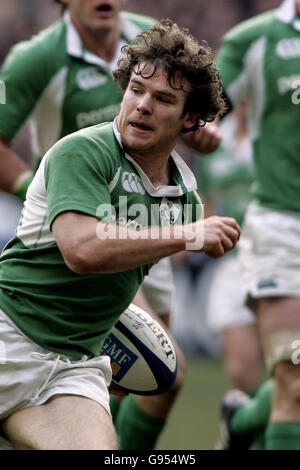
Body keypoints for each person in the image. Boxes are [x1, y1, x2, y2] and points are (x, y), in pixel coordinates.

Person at [0, 19, 240, 450]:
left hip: (69, 370)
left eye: (163, 99)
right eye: (135, 90)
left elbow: (116, 286)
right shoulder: (82, 151)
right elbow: (82, 251)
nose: (143, 105)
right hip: (7, 335)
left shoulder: (183, 196)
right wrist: (186, 235)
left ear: (190, 120)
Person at [215, 0, 300, 450]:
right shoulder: (255, 38)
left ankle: (242, 421)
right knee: (293, 378)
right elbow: (207, 108)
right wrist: (203, 125)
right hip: (283, 228)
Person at [197, 99, 264, 394]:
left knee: (287, 367)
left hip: (281, 253)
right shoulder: (215, 142)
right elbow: (208, 201)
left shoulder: (282, 133)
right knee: (240, 373)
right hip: (235, 261)